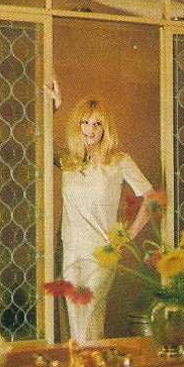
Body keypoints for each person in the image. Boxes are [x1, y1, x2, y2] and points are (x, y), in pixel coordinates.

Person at [48, 82, 154, 343]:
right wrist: (53, 108)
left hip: (101, 253)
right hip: (70, 251)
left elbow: (151, 199)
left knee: (88, 313)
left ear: (105, 128)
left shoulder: (119, 161)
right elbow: (38, 139)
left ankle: (89, 362)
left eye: (97, 124)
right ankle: (87, 365)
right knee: (77, 321)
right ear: (77, 126)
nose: (90, 129)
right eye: (85, 122)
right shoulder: (68, 161)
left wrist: (127, 236)